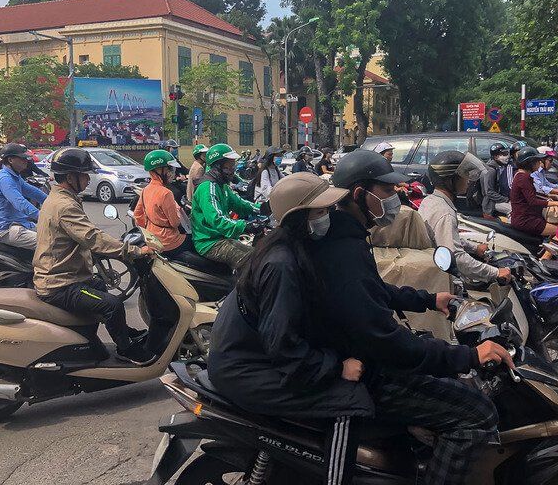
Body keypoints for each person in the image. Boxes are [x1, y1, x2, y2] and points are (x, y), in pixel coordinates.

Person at [310, 149, 511, 485]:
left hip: (366, 354)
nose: (395, 198)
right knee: (478, 413)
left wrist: (430, 299)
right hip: (367, 369)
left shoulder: (350, 235)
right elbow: (383, 339)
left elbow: (375, 290)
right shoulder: (342, 248)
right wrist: (469, 355)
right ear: (361, 194)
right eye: (387, 191)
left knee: (438, 357)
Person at [208, 173, 370, 485]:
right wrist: (337, 367)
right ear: (299, 218)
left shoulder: (292, 248)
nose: (327, 218)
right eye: (320, 211)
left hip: (250, 355)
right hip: (245, 368)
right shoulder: (281, 264)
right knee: (350, 400)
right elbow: (282, 345)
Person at [33, 148, 157, 365]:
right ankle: (126, 350)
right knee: (112, 305)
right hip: (60, 284)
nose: (88, 178)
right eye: (84, 175)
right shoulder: (64, 206)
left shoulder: (61, 198)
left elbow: (85, 235)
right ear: (71, 177)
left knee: (99, 285)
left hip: (66, 275)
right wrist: (134, 251)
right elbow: (93, 238)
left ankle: (124, 332)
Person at [419, 151, 511, 283]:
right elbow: (457, 258)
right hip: (442, 279)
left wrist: (474, 248)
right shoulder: (444, 213)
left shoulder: (430, 200)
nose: (468, 180)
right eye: (464, 175)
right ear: (450, 180)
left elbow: (444, 238)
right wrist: (495, 272)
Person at [191, 143, 260, 270]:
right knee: (252, 261)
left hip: (221, 237)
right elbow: (216, 218)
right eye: (229, 165)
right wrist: (245, 226)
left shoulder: (222, 185)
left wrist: (264, 208)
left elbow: (239, 203)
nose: (233, 169)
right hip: (209, 242)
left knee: (259, 253)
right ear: (217, 166)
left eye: (233, 165)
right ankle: (242, 289)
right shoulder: (208, 187)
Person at [134, 150, 193, 259]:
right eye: (169, 169)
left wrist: (151, 230)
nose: (172, 172)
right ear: (158, 170)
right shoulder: (166, 193)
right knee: (196, 240)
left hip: (153, 241)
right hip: (170, 243)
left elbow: (138, 215)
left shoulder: (146, 190)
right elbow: (175, 223)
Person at [0, 144, 49, 249]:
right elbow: (20, 203)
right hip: (7, 230)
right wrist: (42, 216)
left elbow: (33, 192)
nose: (26, 161)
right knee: (50, 245)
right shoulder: (5, 179)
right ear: (11, 160)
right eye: (22, 158)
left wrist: (52, 202)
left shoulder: (15, 177)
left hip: (21, 224)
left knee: (56, 235)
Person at [510, 147, 558, 237]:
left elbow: (533, 194)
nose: (540, 163)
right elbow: (533, 201)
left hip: (528, 216)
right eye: (537, 161)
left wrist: (552, 197)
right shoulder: (523, 178)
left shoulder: (521, 175)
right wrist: (557, 204)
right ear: (530, 163)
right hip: (526, 220)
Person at [480, 143, 511, 217]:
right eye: (504, 154)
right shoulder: (491, 170)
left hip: (496, 200)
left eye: (507, 153)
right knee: (513, 209)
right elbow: (489, 192)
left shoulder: (499, 167)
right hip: (491, 203)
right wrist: (506, 200)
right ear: (496, 157)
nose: (507, 156)